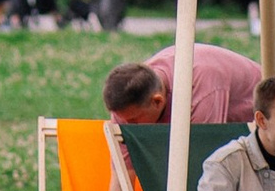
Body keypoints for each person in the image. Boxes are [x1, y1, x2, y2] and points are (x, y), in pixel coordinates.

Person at [112, 37, 263, 134]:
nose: (128, 126)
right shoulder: (126, 102)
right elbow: (123, 173)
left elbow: (203, 161)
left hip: (261, 121)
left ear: (157, 101)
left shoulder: (200, 90)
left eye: (133, 121)